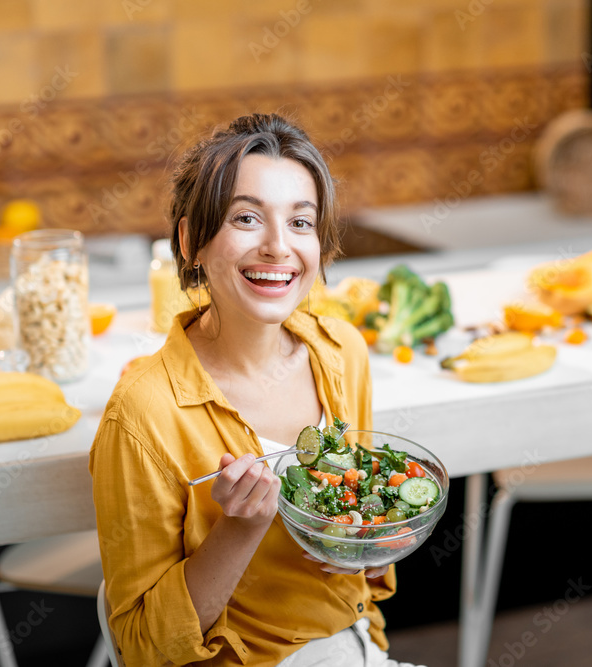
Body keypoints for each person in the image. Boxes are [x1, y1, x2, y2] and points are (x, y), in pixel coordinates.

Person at [89, 113, 417, 666]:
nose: (277, 247)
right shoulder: (143, 413)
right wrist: (238, 531)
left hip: (352, 649)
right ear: (192, 240)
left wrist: (374, 546)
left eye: (300, 222)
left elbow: (366, 568)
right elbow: (142, 647)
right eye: (246, 218)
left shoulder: (340, 352)